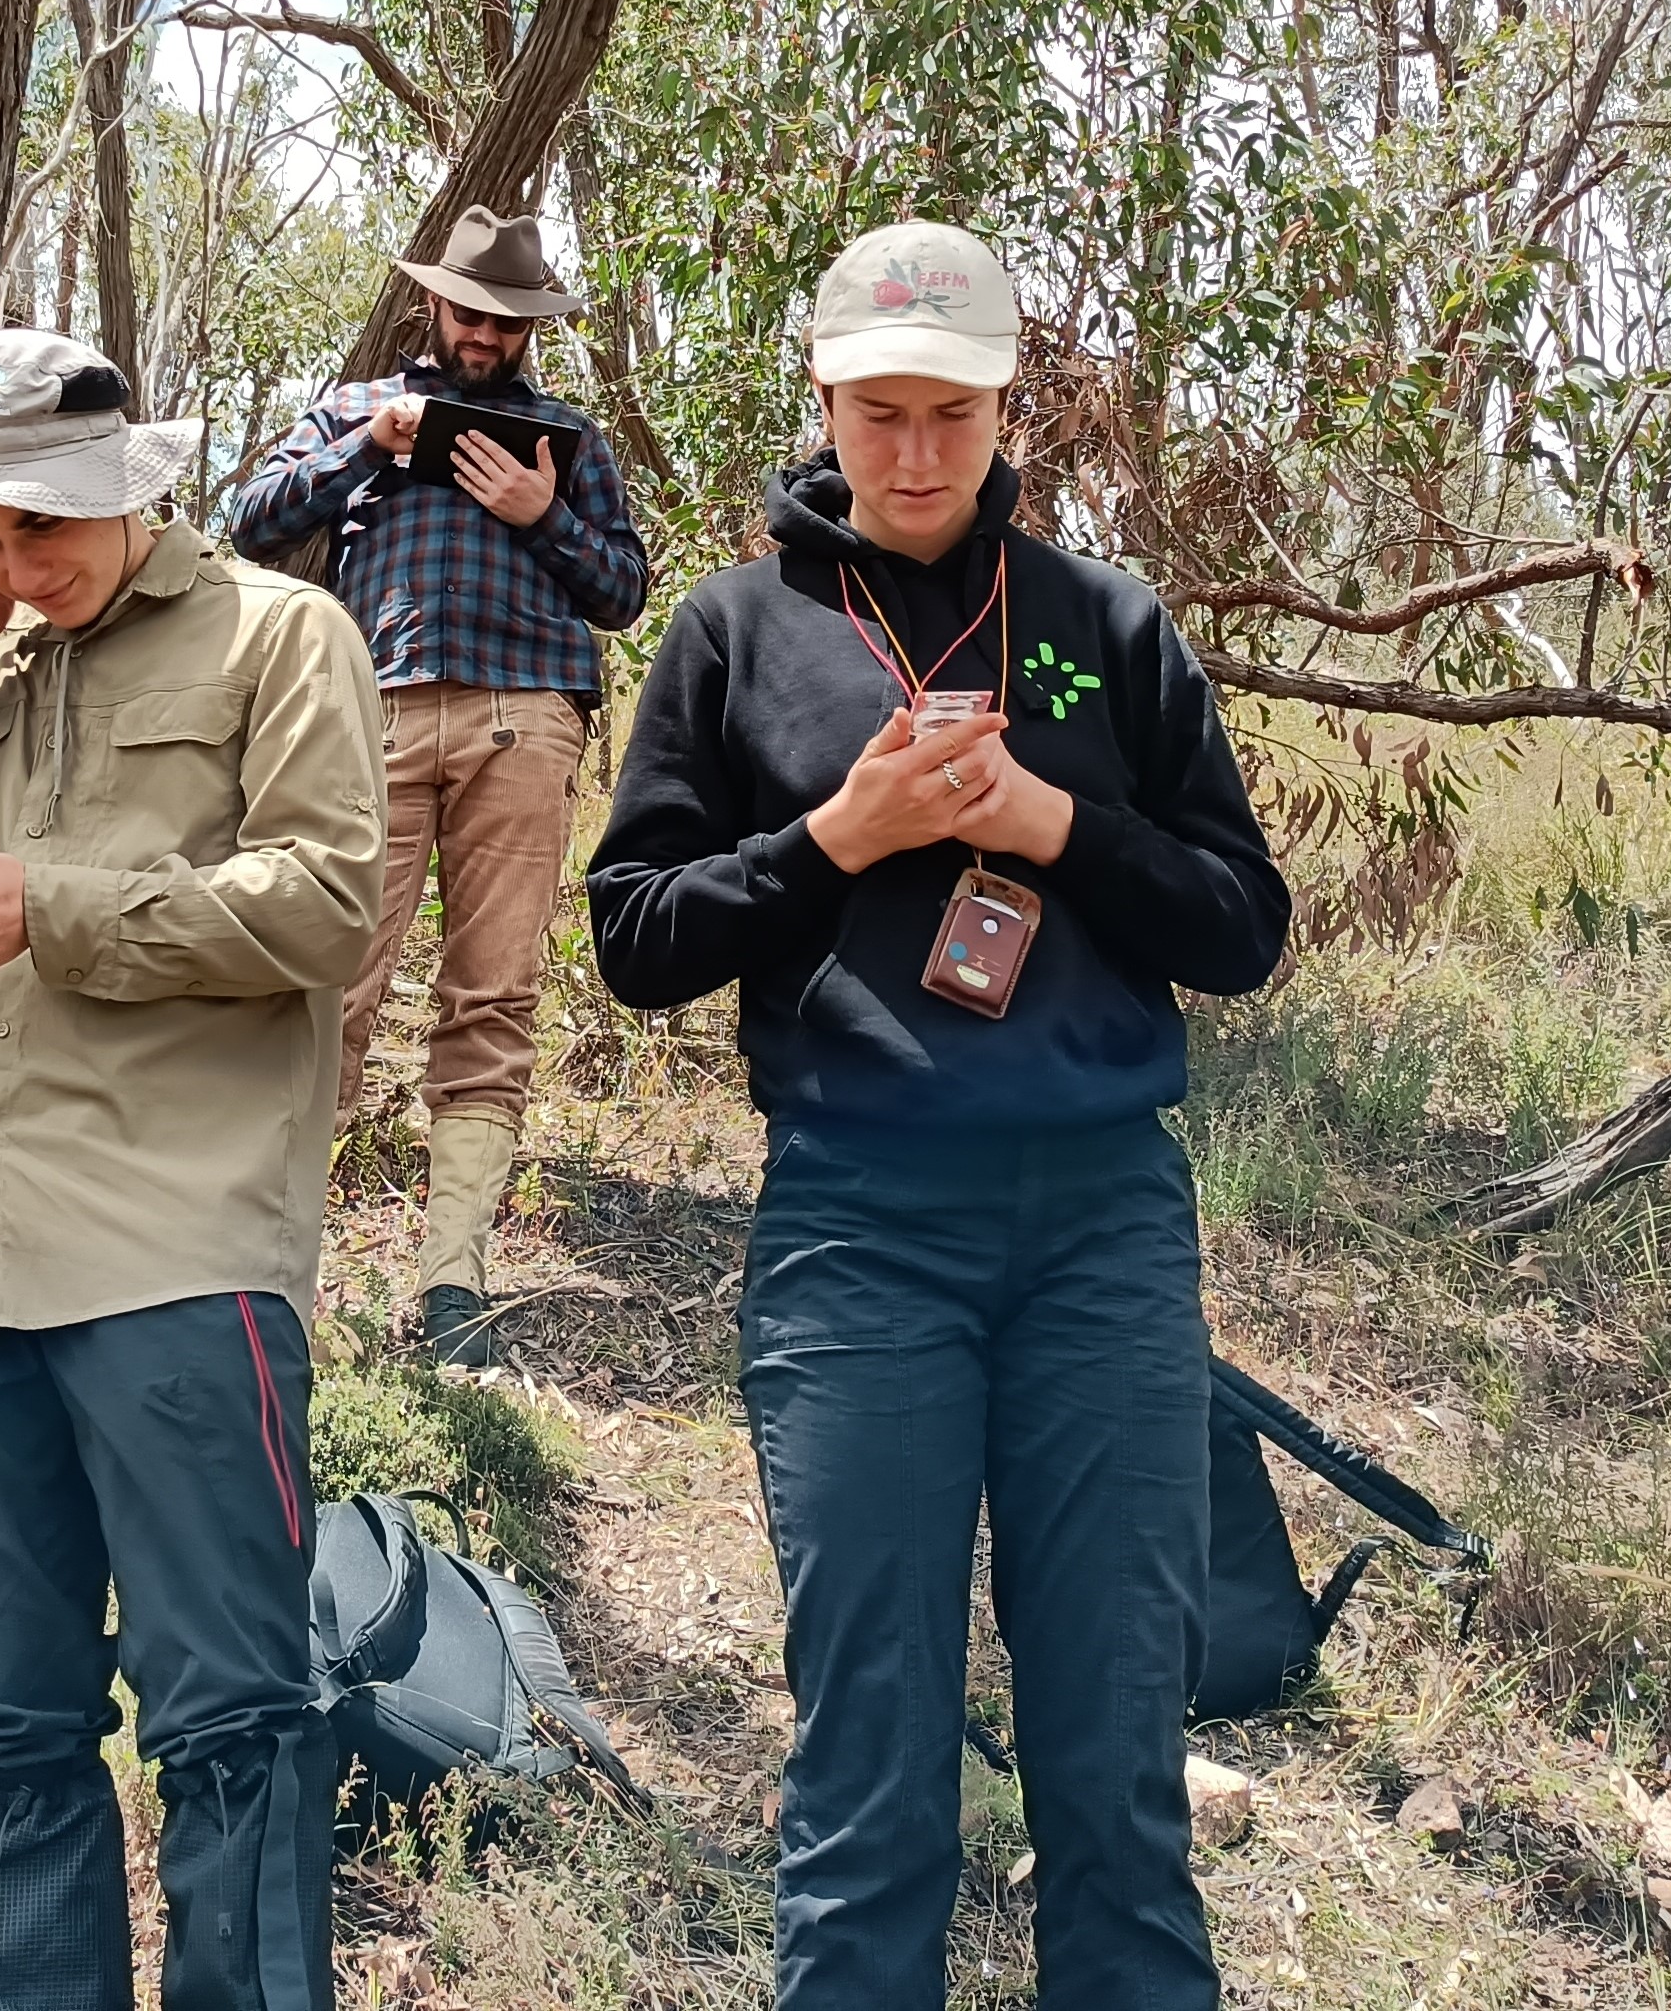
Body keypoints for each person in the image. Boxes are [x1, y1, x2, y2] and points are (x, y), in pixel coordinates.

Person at [585, 224, 1289, 2011]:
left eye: (953, 416)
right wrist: (841, 841)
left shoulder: (1107, 626)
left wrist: (1058, 828)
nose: (914, 455)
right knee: (869, 1748)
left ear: (1005, 411)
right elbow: (637, 942)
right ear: (822, 401)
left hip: (1104, 1230)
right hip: (857, 1230)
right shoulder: (736, 633)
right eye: (880, 412)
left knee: (1116, 1746)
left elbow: (1242, 925)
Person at [0, 328, 386, 2011]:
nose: (11, 560)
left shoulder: (281, 636)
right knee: (2, 1731)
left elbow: (331, 902)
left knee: (235, 1725)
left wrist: (49, 908)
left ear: (140, 486)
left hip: (177, 1263)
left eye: (42, 526)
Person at [231, 206, 648, 1367]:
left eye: (509, 319)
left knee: (493, 993)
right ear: (434, 304)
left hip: (529, 720)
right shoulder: (355, 409)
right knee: (331, 978)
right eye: (471, 310)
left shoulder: (566, 434)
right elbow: (248, 523)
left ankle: (453, 1283)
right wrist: (376, 444)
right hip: (377, 713)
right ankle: (275, 1280)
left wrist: (541, 513)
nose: (486, 333)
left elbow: (623, 589)